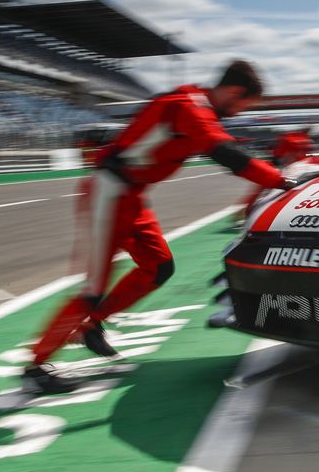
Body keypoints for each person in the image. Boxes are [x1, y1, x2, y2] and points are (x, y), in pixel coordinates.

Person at [22, 60, 295, 394]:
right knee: (93, 289)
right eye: (241, 105)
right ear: (235, 91)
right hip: (109, 194)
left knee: (158, 267)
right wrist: (281, 181)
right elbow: (226, 154)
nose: (238, 112)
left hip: (130, 196)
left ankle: (91, 325)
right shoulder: (190, 108)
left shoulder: (196, 107)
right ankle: (35, 366)